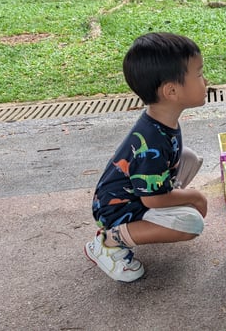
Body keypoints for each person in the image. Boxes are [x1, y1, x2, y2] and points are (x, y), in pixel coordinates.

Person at [85, 32, 209, 282]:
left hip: (138, 192)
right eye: (198, 74)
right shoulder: (151, 139)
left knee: (188, 157)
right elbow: (152, 200)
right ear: (172, 91)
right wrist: (194, 196)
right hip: (121, 209)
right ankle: (109, 242)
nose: (206, 80)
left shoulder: (160, 120)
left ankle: (162, 208)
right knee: (191, 223)